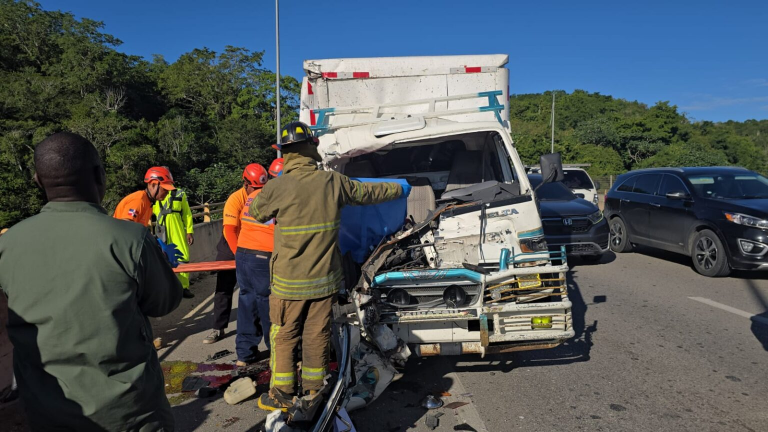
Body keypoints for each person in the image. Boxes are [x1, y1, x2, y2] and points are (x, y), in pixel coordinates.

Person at [0, 132, 182, 431]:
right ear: (100, 175)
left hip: (46, 412)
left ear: (37, 181)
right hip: (128, 412)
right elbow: (164, 302)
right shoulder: (130, 240)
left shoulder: (8, 245)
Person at [252, 122, 406, 411]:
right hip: (323, 281)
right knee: (316, 334)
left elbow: (256, 212)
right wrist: (400, 188)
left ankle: (282, 395)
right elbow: (368, 193)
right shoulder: (332, 182)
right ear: (312, 146)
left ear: (284, 153)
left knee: (284, 335)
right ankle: (314, 391)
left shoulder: (277, 186)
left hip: (287, 282)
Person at [203, 163, 275, 344]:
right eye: (255, 187)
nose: (258, 191)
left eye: (262, 187)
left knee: (257, 292)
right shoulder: (235, 199)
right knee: (224, 288)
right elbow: (229, 231)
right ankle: (218, 327)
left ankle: (258, 331)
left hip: (253, 245)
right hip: (232, 244)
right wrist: (239, 256)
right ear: (245, 184)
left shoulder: (265, 196)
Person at [234, 164, 275, 366]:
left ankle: (244, 353)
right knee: (266, 302)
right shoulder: (273, 196)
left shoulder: (249, 198)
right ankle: (275, 350)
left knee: (246, 301)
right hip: (262, 256)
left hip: (242, 254)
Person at [152, 167, 195, 298]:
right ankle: (167, 289)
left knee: (182, 256)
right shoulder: (155, 194)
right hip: (161, 229)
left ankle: (184, 287)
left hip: (177, 228)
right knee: (163, 258)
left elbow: (187, 214)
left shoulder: (180, 193)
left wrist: (189, 231)